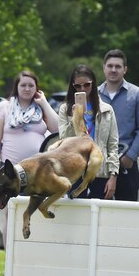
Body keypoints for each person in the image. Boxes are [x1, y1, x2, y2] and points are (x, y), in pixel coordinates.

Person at [58, 64, 119, 199]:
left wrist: (113, 175)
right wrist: (75, 117)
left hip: (99, 170)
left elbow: (113, 146)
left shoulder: (106, 109)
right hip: (74, 171)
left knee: (99, 215)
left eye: (87, 85)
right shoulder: (65, 109)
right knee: (76, 216)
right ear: (72, 86)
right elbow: (63, 140)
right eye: (78, 86)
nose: (83, 89)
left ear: (93, 84)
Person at [98, 49, 139, 201]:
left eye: (118, 66)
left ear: (125, 69)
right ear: (104, 68)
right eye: (110, 66)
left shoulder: (137, 94)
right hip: (99, 164)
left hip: (126, 163)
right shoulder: (94, 95)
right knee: (97, 212)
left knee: (126, 213)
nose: (113, 70)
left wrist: (130, 156)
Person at [0, 70, 58, 176]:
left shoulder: (41, 108)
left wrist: (44, 102)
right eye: (23, 85)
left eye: (31, 85)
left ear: (36, 88)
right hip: (11, 170)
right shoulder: (4, 107)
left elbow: (57, 129)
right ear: (16, 87)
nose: (27, 89)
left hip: (38, 170)